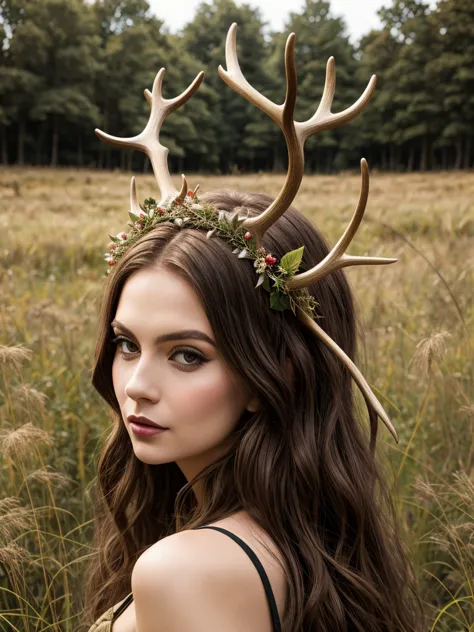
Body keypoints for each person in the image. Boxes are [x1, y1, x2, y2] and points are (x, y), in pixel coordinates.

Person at [82, 22, 423, 632]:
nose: (135, 384)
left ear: (275, 375)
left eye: (187, 355)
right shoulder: (303, 543)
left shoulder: (185, 571)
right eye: (127, 344)